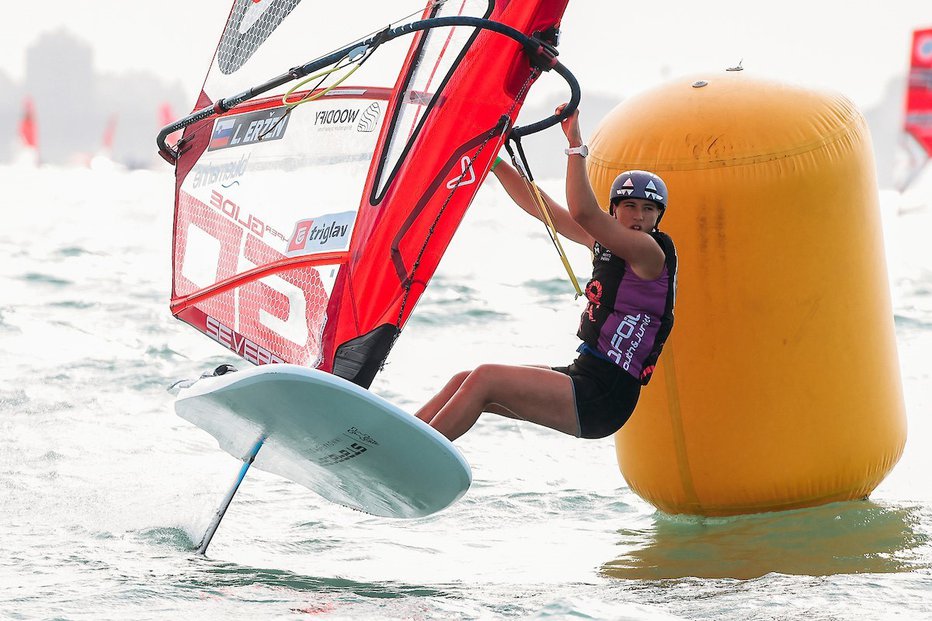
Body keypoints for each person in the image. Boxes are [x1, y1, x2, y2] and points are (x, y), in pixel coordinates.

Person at [415, 105, 677, 442]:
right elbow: (543, 208)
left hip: (604, 396)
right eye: (629, 206)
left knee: (484, 379)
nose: (639, 216)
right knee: (464, 380)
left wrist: (575, 144)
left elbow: (583, 211)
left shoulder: (649, 254)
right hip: (585, 376)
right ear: (615, 210)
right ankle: (390, 439)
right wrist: (492, 163)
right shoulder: (605, 242)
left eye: (649, 209)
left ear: (658, 217)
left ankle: (409, 457)